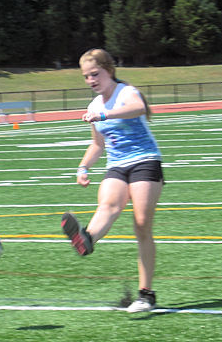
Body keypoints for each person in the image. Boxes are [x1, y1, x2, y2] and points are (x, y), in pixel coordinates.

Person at [61, 48, 164, 313]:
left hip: (145, 160)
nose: (91, 80)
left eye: (95, 74)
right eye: (86, 76)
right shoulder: (94, 106)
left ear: (109, 70)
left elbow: (138, 108)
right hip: (117, 164)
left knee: (141, 224)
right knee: (108, 205)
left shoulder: (125, 92)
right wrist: (83, 167)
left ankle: (146, 294)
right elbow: (98, 144)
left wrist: (105, 115)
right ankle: (87, 240)